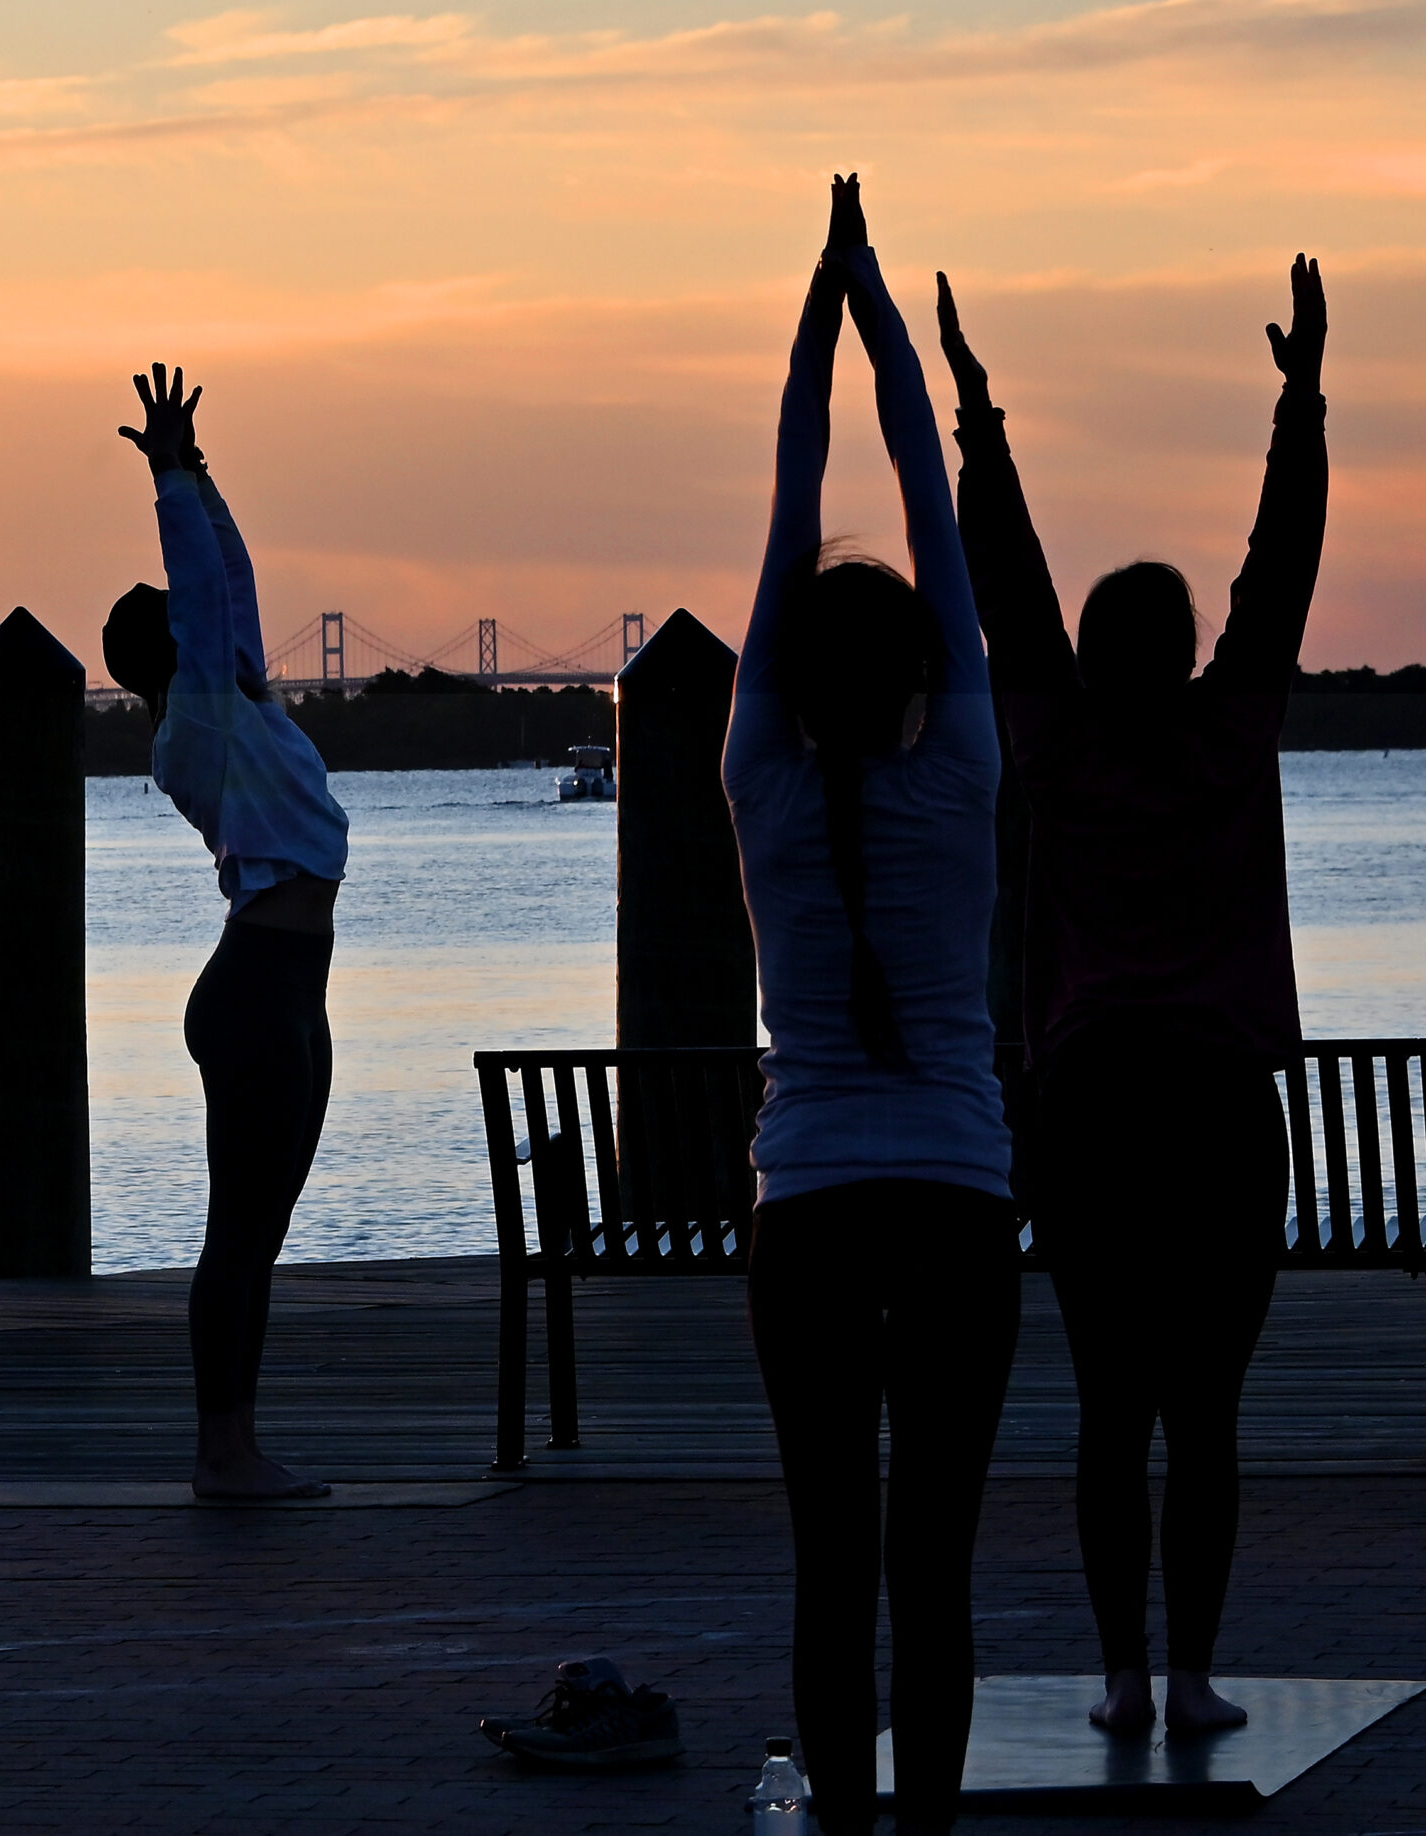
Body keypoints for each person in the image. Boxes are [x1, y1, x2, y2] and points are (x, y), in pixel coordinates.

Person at [937, 255, 1327, 1736]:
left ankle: (1114, 1679)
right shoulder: (1234, 731)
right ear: (1187, 654)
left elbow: (1010, 593)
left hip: (1092, 1109)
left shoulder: (1057, 748)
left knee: (1112, 1408)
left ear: (1098, 658)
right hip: (1222, 1109)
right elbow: (1277, 577)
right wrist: (1298, 407)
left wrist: (981, 422)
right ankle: (1196, 1674)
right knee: (1206, 1416)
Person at [724, 176, 1020, 1836]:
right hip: (961, 1202)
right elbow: (928, 496)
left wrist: (809, 336)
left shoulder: (756, 767)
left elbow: (797, 502)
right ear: (923, 671)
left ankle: (842, 1825)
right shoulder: (967, 763)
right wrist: (879, 311)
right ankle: (930, 1831)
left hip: (815, 1208)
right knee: (939, 1568)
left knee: (831, 1563)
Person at [103, 364, 350, 1501]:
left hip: (290, 988)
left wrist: (198, 470)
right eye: (185, 630)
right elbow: (203, 592)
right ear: (169, 660)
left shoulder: (236, 705)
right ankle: (221, 1453)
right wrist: (163, 479)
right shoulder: (193, 727)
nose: (207, 627)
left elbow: (229, 585)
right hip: (256, 990)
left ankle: (236, 1446)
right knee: (239, 1227)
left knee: (262, 1228)